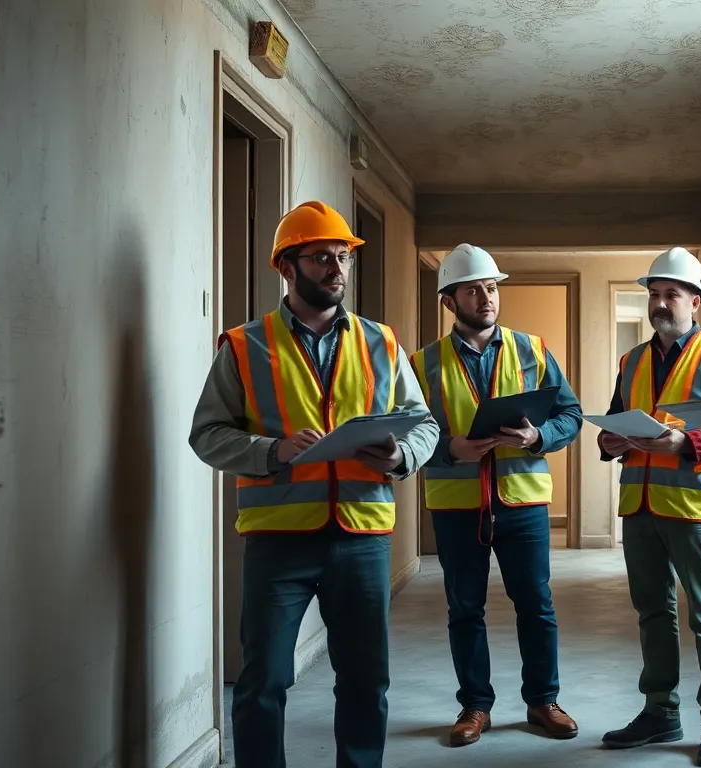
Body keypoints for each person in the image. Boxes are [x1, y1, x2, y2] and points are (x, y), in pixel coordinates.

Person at [188, 200, 439, 768]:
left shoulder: (382, 342)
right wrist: (271, 450)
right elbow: (207, 434)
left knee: (365, 679)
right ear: (287, 267)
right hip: (280, 538)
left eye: (343, 257)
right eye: (323, 257)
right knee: (264, 681)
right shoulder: (245, 345)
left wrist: (400, 454)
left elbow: (424, 422)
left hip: (362, 537)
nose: (337, 269)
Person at [410, 243, 584, 747]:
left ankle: (543, 701)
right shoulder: (424, 365)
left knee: (536, 603)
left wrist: (538, 437)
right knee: (464, 607)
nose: (486, 298)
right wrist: (449, 449)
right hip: (458, 506)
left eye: (491, 288)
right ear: (450, 301)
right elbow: (409, 432)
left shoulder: (532, 349)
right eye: (473, 290)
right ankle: (474, 706)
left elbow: (570, 415)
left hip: (523, 502)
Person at [596, 247, 701, 766]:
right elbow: (616, 419)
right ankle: (660, 711)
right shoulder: (631, 360)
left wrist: (685, 446)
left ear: (695, 301)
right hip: (638, 504)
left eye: (671, 295)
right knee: (652, 611)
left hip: (693, 507)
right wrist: (609, 442)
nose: (660, 304)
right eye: (654, 295)